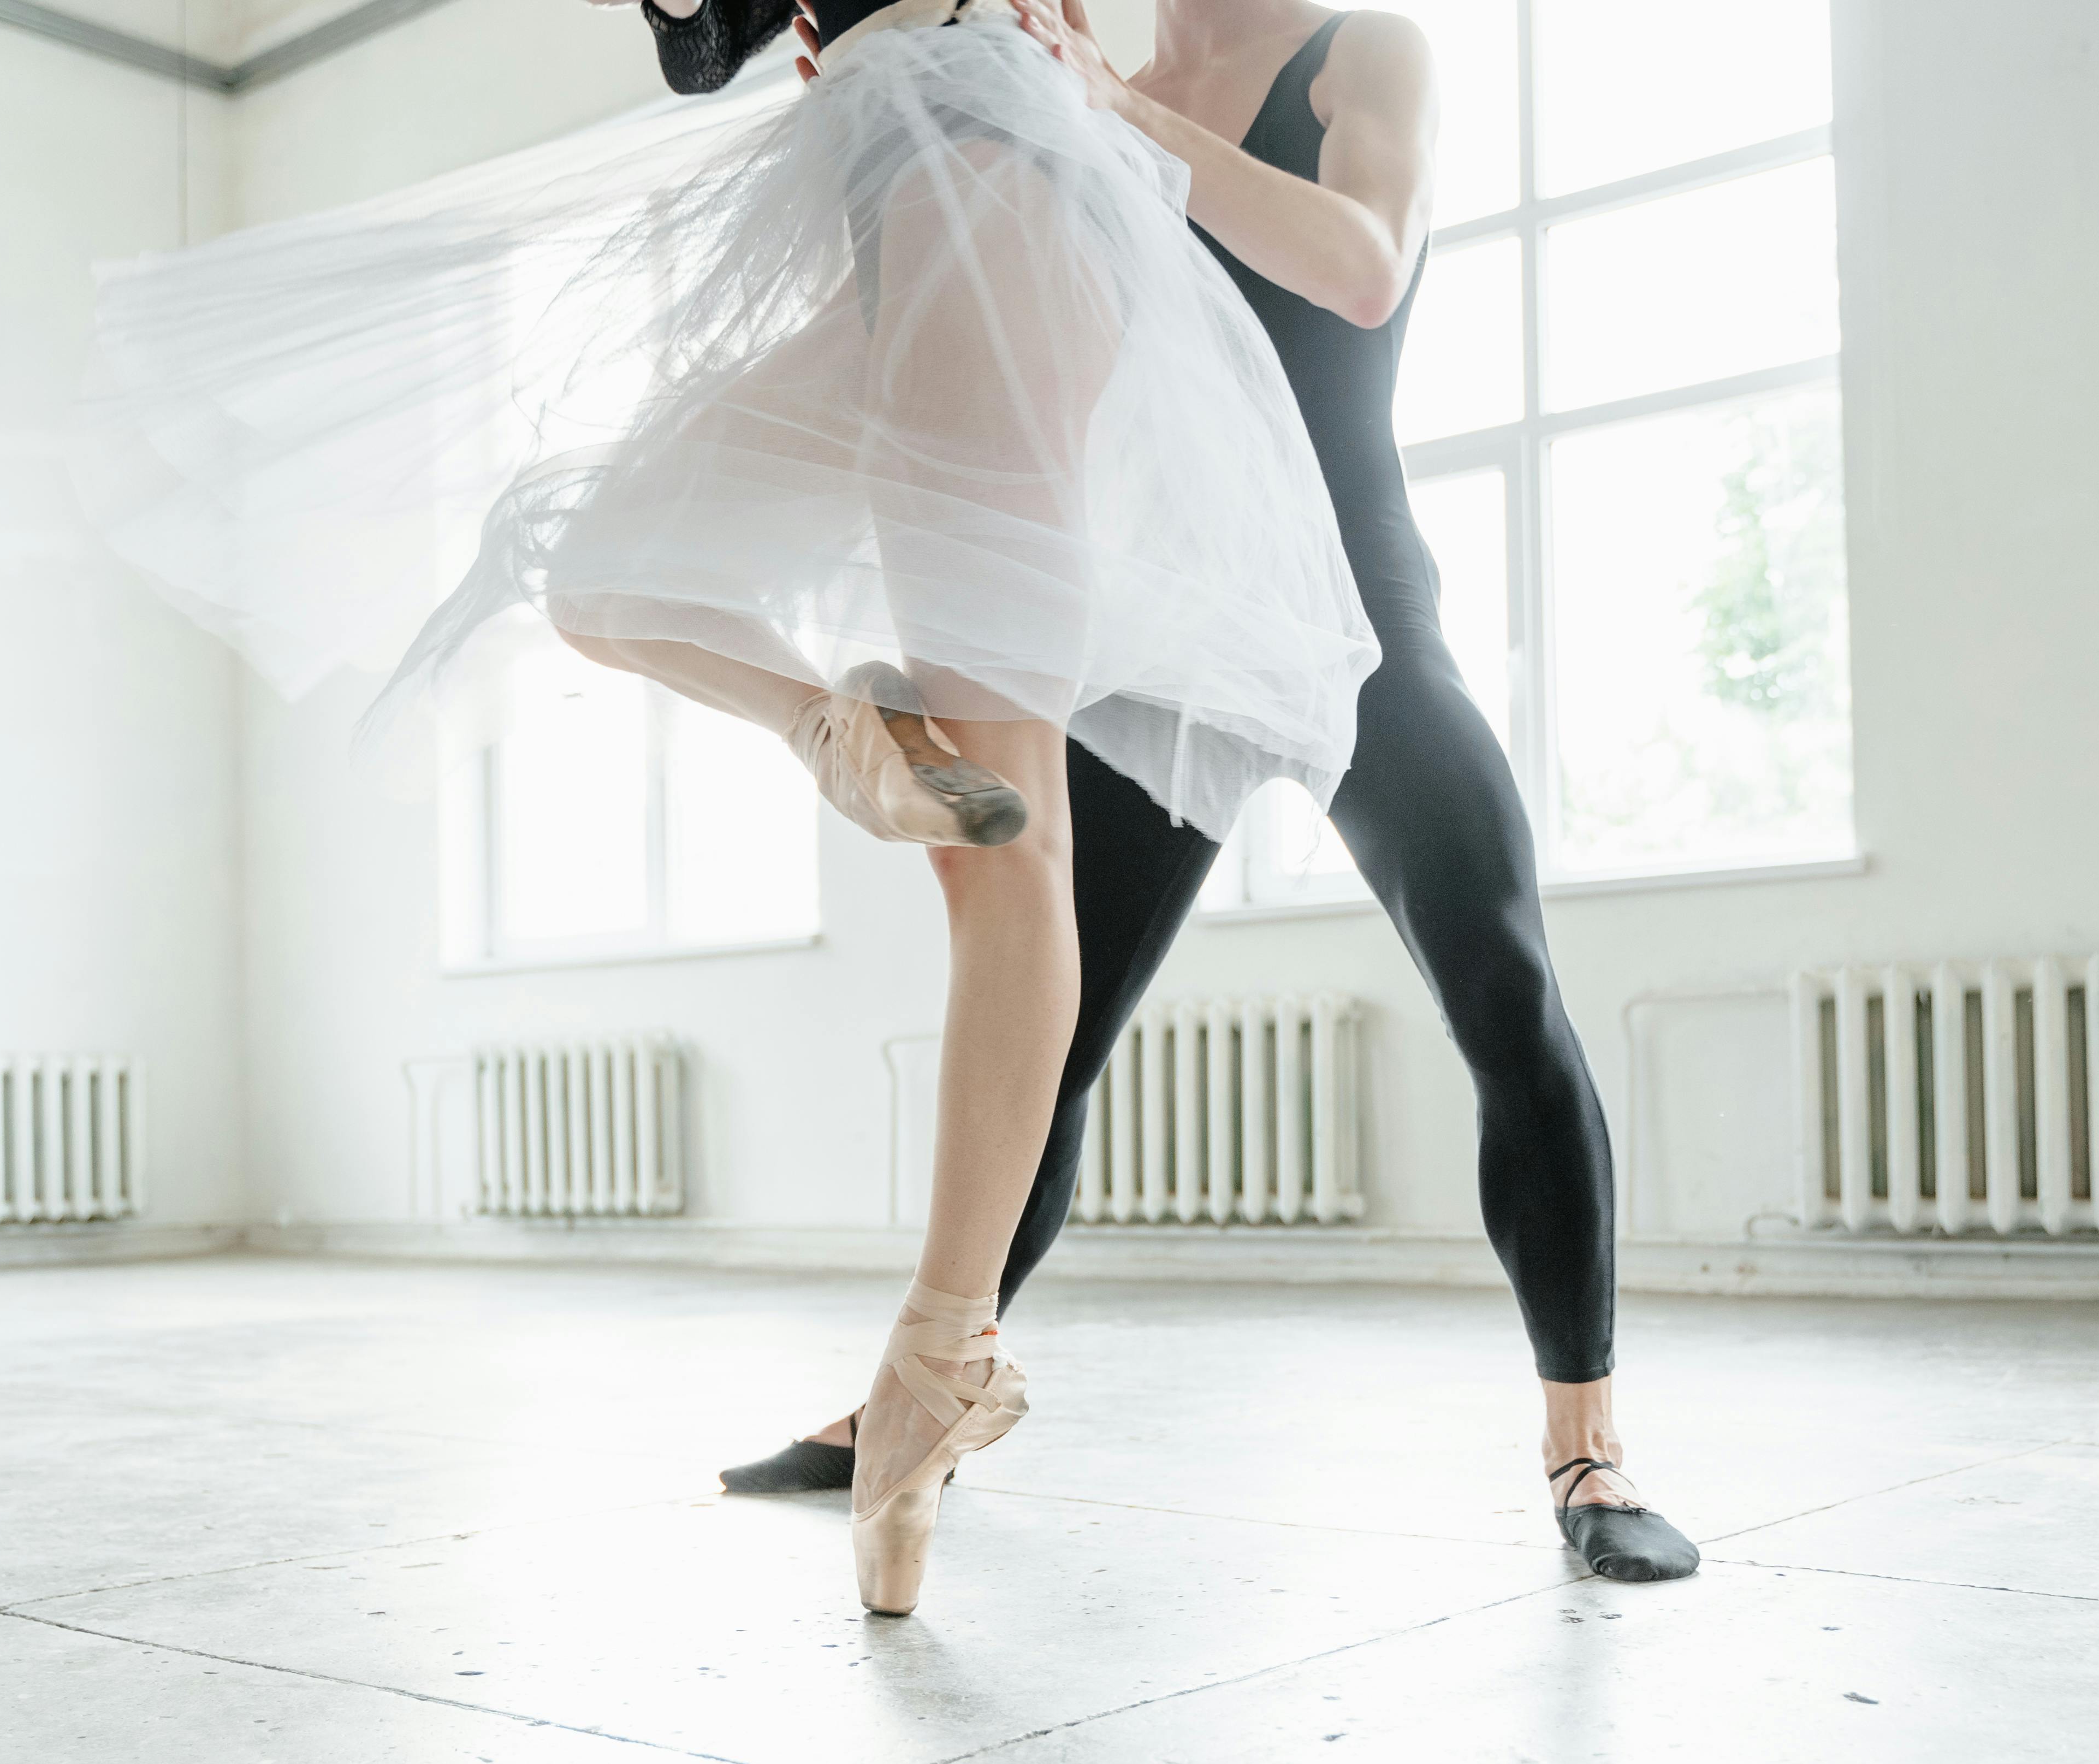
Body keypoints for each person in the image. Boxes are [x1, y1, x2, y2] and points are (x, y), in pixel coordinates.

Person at [87, 0, 1377, 1617]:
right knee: (608, 567)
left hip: (999, 183)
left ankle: (938, 1354)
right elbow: (704, 53)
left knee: (1010, 842)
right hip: (898, 204)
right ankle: (845, 738)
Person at [713, 0, 1703, 1584]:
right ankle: (913, 1400)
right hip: (1164, 632)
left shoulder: (1359, 51)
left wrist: (1120, 120)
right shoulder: (1070, 86)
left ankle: (1587, 1448)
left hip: (1348, 611)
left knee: (1502, 986)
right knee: (1047, 1027)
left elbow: (1363, 264)